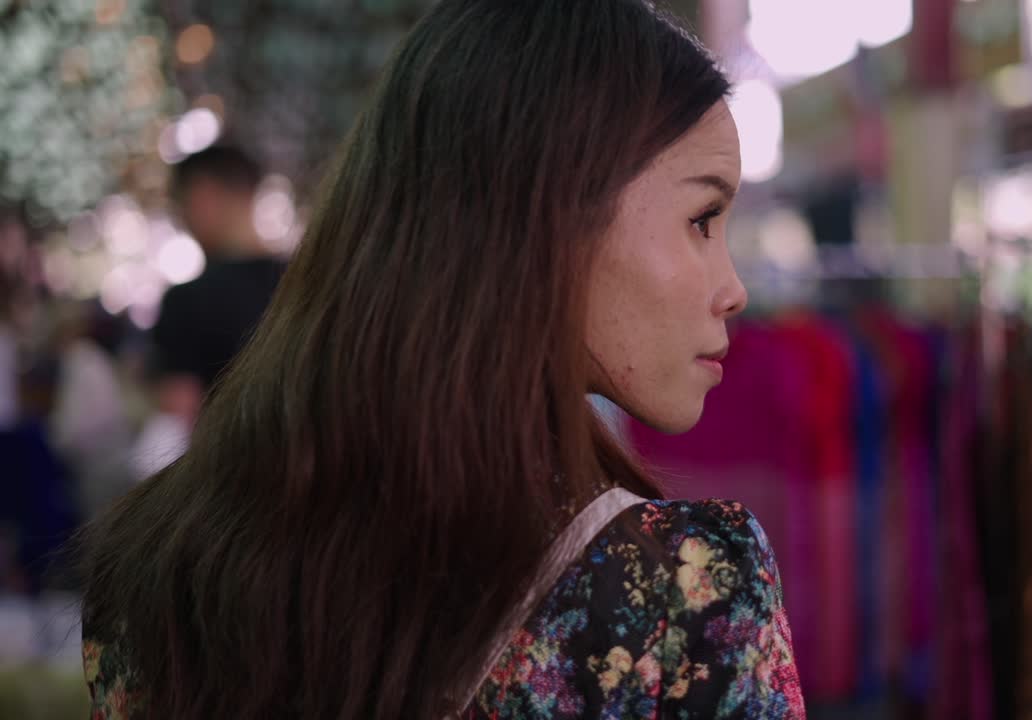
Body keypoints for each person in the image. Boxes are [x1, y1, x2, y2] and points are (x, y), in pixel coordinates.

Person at [79, 1, 805, 718]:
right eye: (702, 219)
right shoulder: (684, 597)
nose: (733, 290)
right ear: (551, 215)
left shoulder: (152, 575)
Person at [148, 145, 286, 430]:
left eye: (181, 203)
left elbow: (178, 413)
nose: (182, 219)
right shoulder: (306, 280)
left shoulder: (186, 301)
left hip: (230, 469)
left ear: (204, 194)